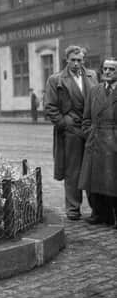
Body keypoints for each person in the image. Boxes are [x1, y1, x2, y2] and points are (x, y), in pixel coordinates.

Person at [44, 45, 98, 220]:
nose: (76, 63)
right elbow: (50, 107)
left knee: (91, 169)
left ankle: (97, 209)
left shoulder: (92, 76)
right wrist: (64, 123)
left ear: (84, 60)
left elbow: (97, 100)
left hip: (90, 130)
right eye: (73, 60)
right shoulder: (56, 79)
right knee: (73, 171)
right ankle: (73, 208)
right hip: (71, 131)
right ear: (66, 60)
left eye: (79, 60)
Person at [78, 57, 117, 228]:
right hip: (95, 140)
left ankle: (114, 216)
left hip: (113, 141)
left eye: (112, 69)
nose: (107, 72)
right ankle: (99, 214)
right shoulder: (94, 91)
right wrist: (89, 133)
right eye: (105, 69)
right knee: (95, 180)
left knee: (113, 180)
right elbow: (85, 118)